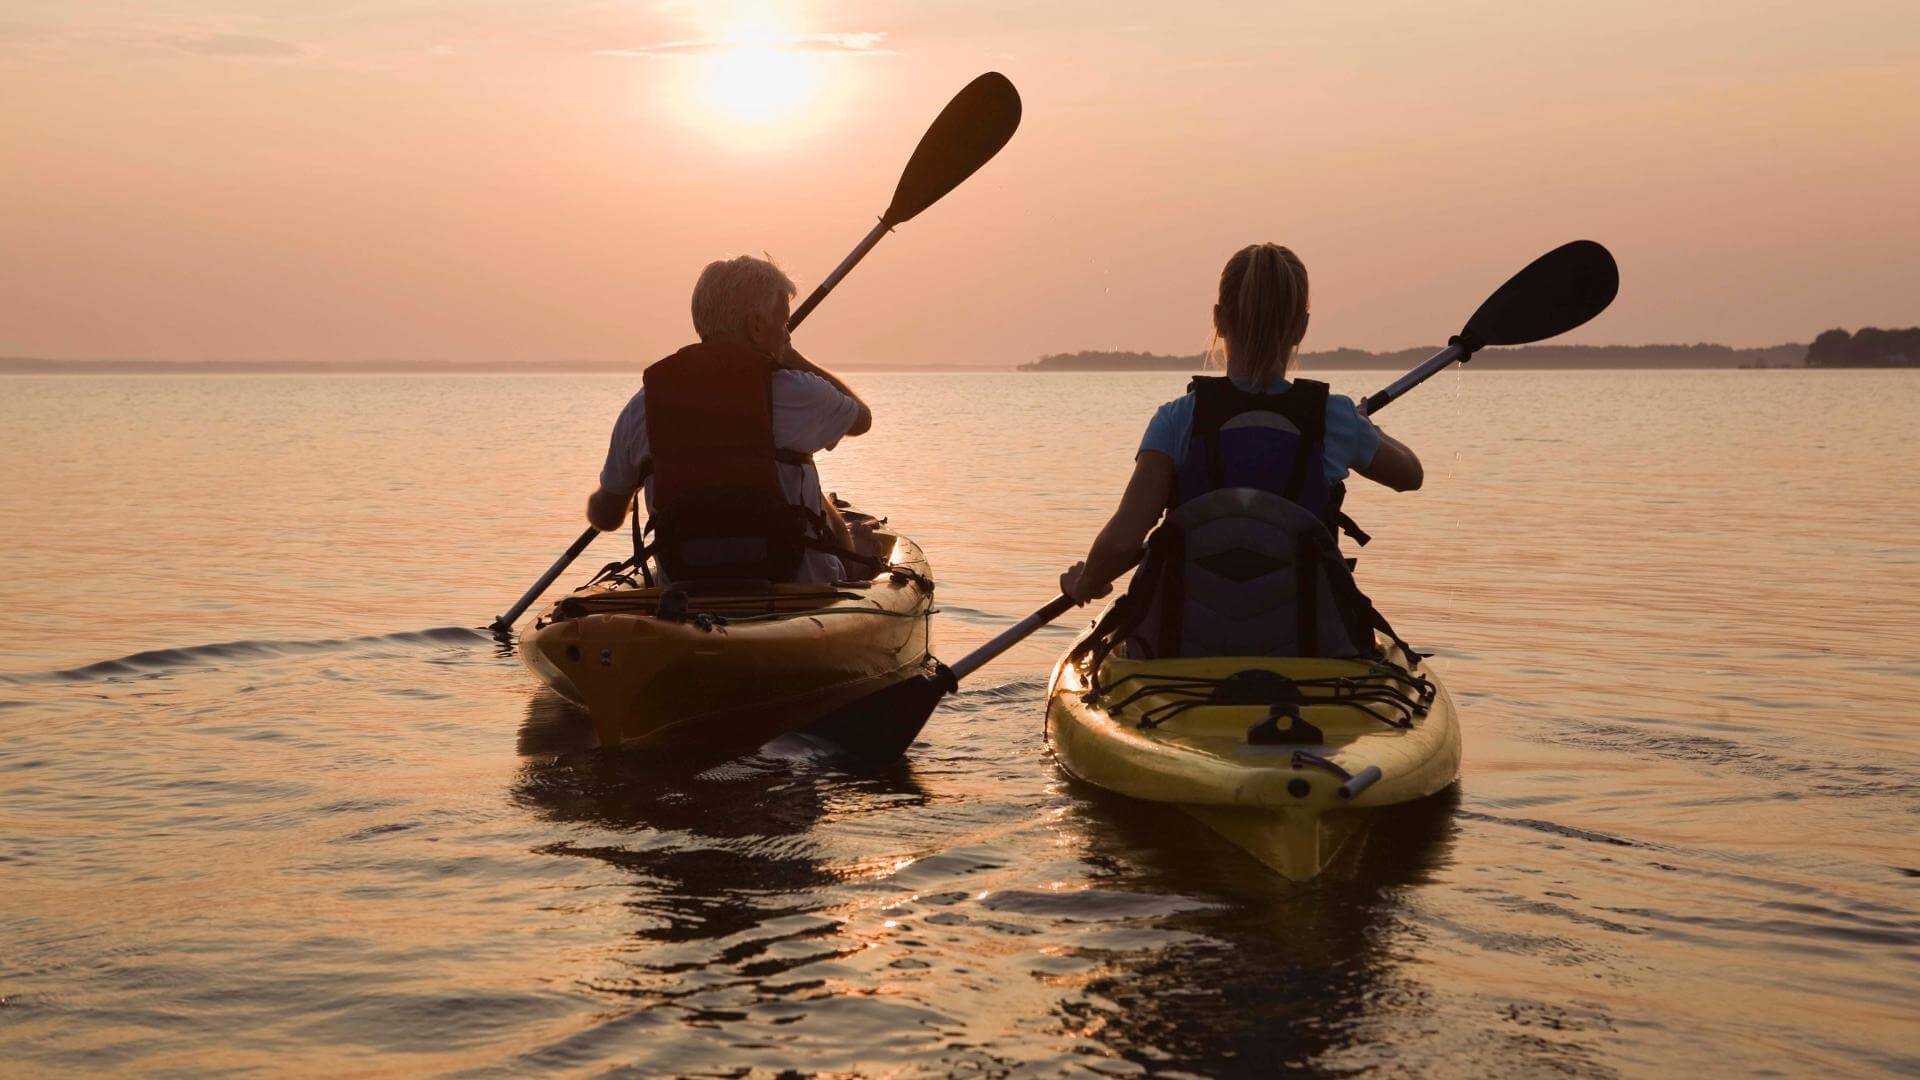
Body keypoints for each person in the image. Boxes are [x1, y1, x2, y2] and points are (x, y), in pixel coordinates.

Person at [1059, 242, 1423, 626]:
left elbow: (1121, 542)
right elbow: (1410, 475)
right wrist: (1368, 428)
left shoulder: (1177, 419)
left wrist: (1087, 581)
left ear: (1218, 319)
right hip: (1303, 636)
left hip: (1190, 636)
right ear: (1301, 326)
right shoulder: (1336, 417)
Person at [585, 254, 873, 585]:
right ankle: (856, 563)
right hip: (797, 593)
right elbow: (860, 419)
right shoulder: (800, 392)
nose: (787, 335)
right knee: (839, 519)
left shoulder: (643, 406)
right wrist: (794, 358)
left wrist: (621, 487)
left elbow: (605, 517)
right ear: (756, 326)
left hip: (686, 594)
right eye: (784, 323)